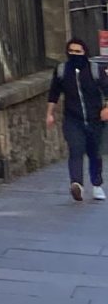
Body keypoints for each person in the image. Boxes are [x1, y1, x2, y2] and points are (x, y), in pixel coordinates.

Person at [45, 37, 108, 201]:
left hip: (95, 118)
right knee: (76, 149)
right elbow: (54, 93)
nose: (74, 55)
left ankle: (96, 184)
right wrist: (50, 113)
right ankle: (77, 184)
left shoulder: (95, 70)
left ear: (85, 52)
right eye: (71, 51)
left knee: (95, 153)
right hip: (73, 119)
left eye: (78, 51)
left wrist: (107, 108)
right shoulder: (61, 71)